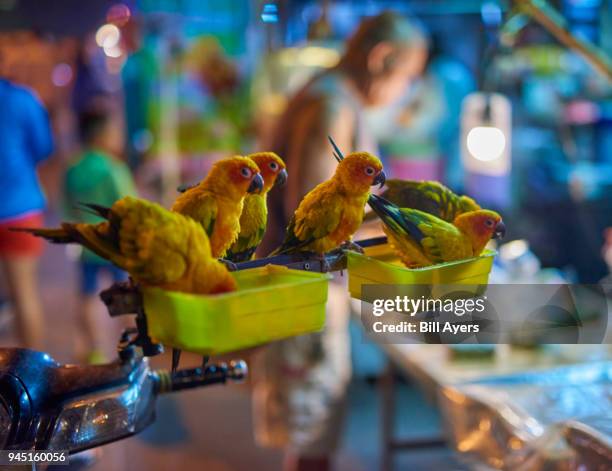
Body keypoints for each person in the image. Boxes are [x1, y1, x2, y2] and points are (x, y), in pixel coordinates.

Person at [254, 12, 427, 471]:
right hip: (303, 293)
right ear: (381, 58)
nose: (404, 91)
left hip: (304, 291)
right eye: (407, 76)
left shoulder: (332, 95)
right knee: (313, 432)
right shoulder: (333, 104)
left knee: (313, 427)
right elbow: (314, 213)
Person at [64, 105, 137, 363]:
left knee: (87, 296)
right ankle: (128, 344)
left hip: (87, 242)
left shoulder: (73, 168)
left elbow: (67, 205)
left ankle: (95, 349)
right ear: (102, 135)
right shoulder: (113, 169)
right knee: (125, 294)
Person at [0, 76, 54, 350]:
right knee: (25, 295)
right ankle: (31, 377)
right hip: (20, 208)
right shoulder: (22, 99)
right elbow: (44, 147)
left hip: (19, 206)